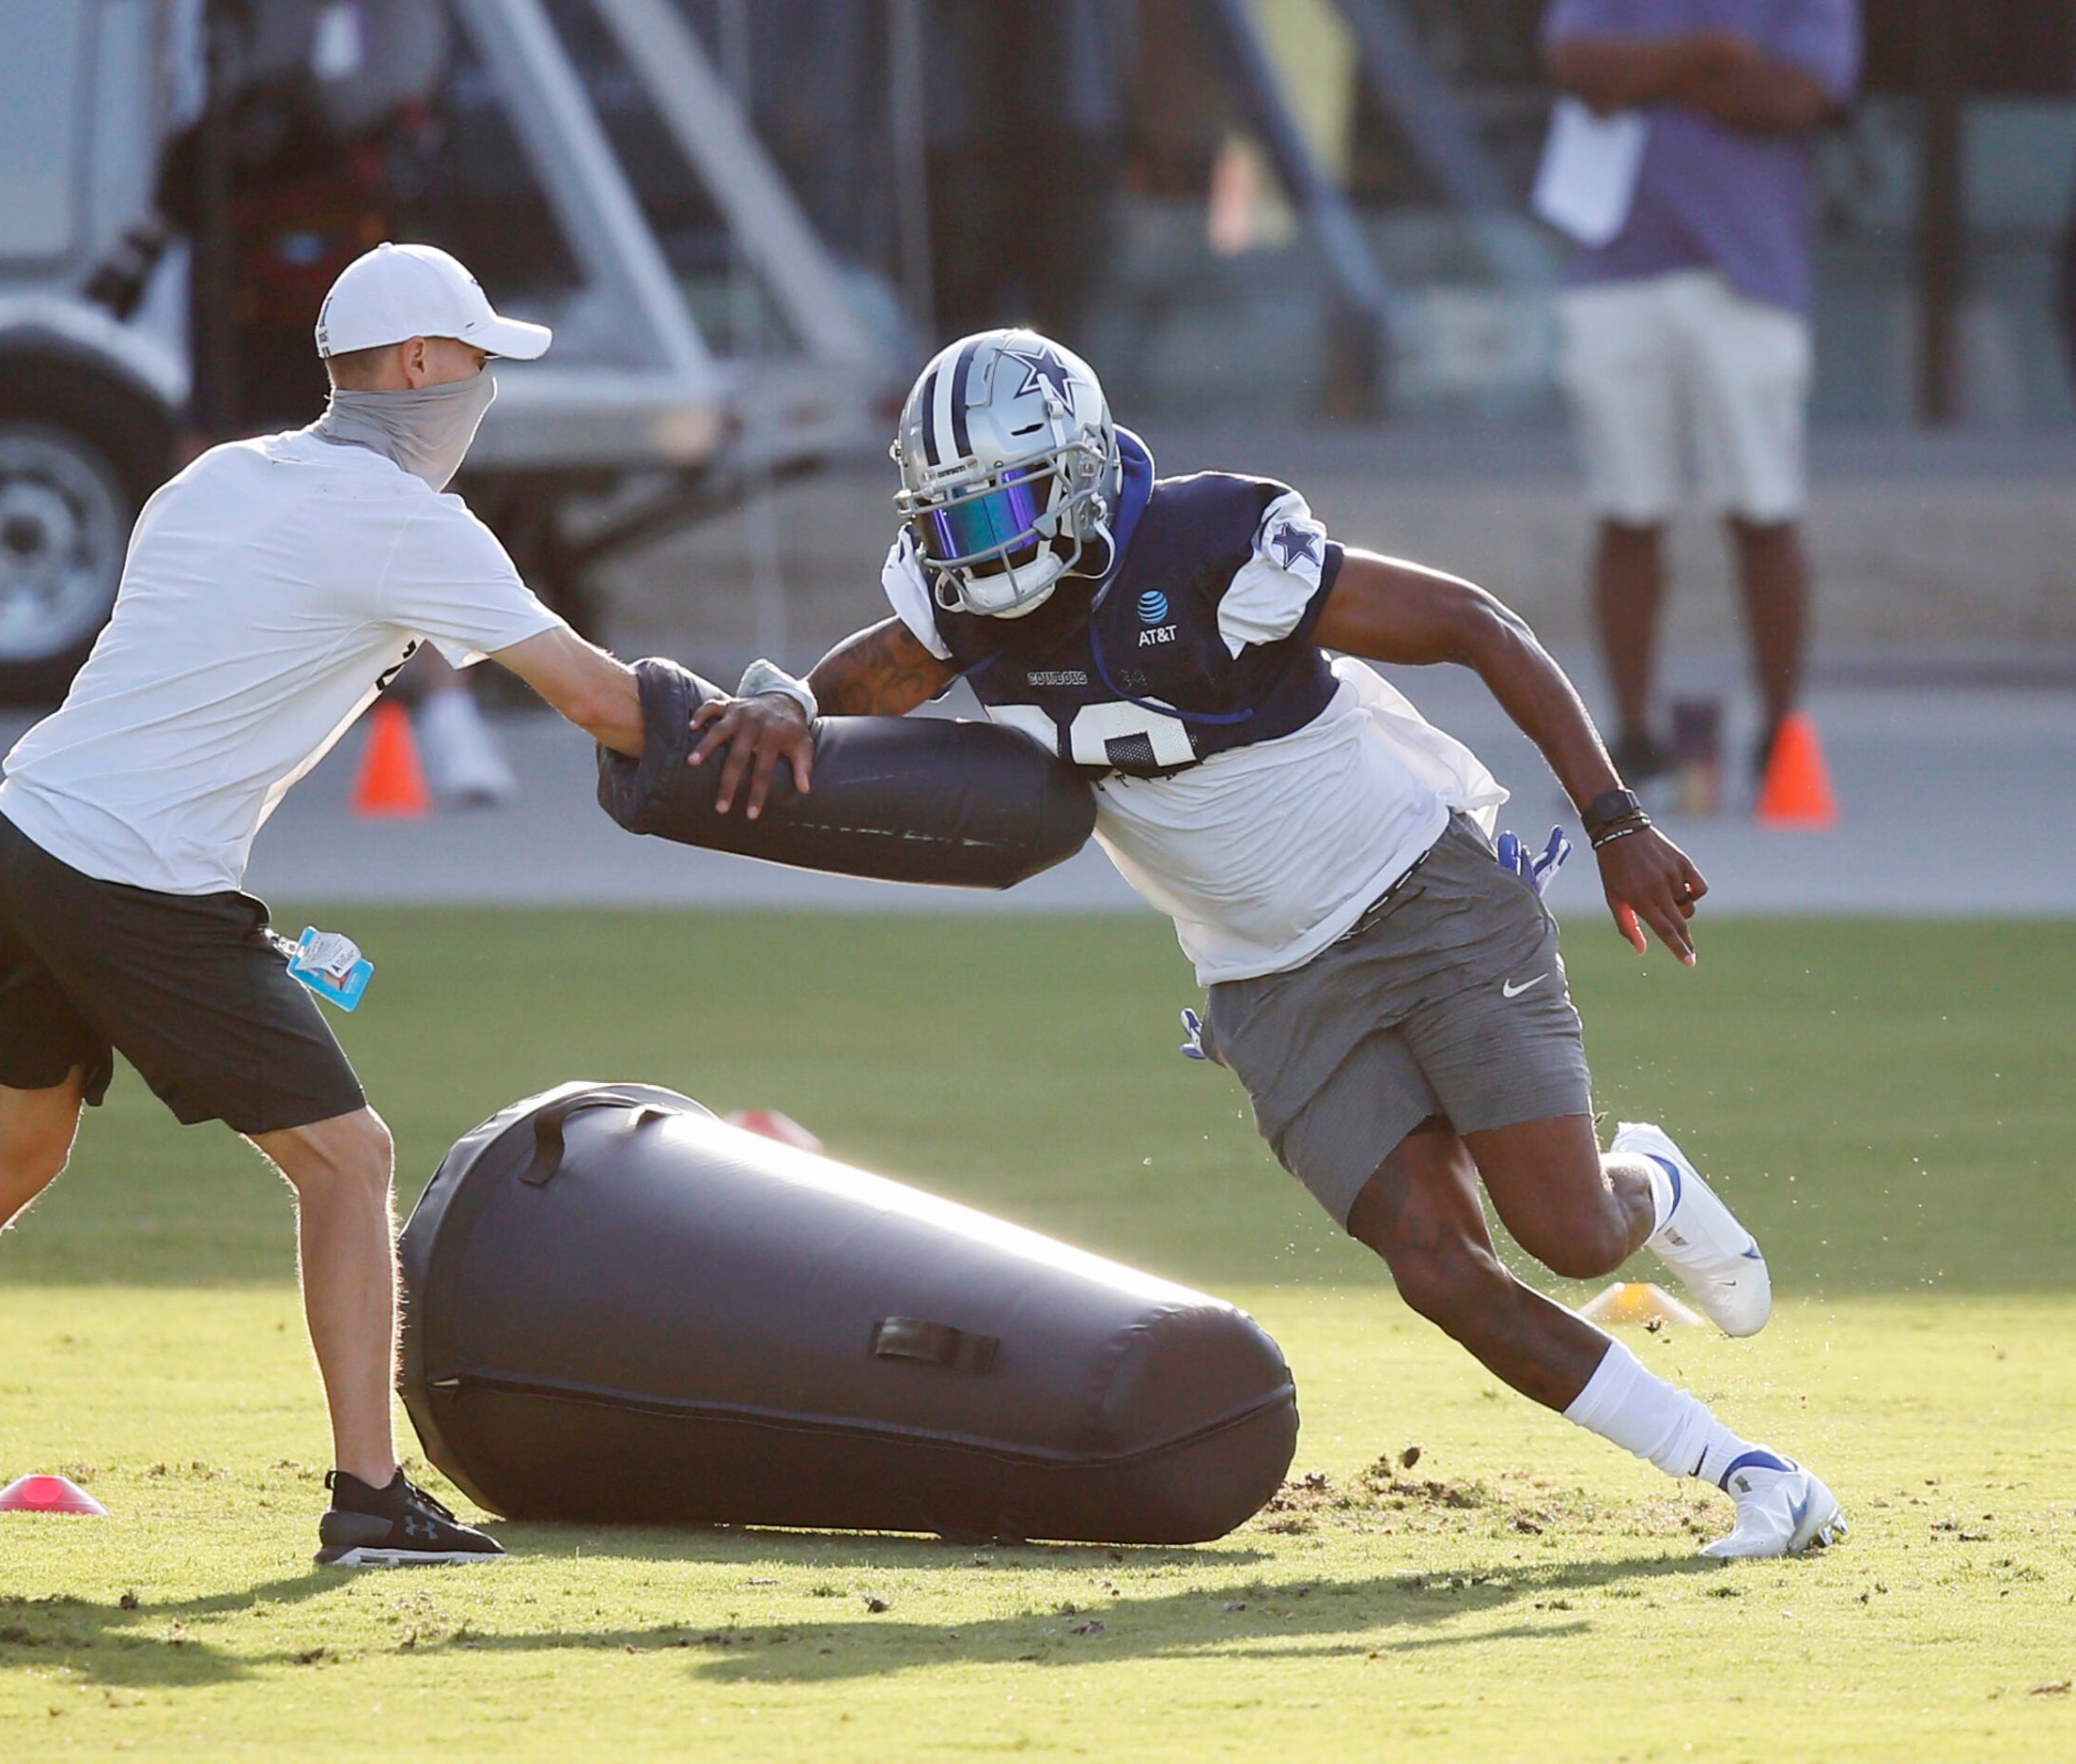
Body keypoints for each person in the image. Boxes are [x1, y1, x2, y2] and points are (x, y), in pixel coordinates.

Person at [693, 330, 1845, 1558]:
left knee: (1566, 1232)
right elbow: (881, 667)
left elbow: (1472, 621)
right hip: (1260, 973)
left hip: (1419, 897)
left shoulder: (1211, 541)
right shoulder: (954, 601)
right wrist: (793, 699)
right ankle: (1747, 1471)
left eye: (1012, 503)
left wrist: (1612, 816)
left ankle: (1647, 1182)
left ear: (1078, 473)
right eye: (956, 519)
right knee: (1437, 1269)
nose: (983, 547)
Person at [0, 243, 656, 1569]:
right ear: (416, 366)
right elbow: (601, 702)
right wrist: (750, 725)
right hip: (130, 881)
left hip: (24, 839)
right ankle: (368, 1498)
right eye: (474, 361)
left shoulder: (216, 474)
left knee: (18, 1151)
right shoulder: (408, 523)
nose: (482, 389)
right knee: (348, 1160)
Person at [1542, 0, 1861, 785]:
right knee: (1626, 512)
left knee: (1763, 509)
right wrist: (1714, 53)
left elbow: (1795, 99)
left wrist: (1642, 76)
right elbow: (1574, 65)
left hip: (1748, 277)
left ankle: (1781, 736)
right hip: (1615, 270)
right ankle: (1631, 736)